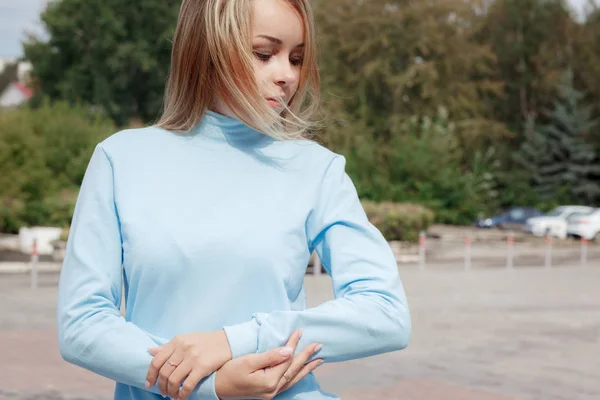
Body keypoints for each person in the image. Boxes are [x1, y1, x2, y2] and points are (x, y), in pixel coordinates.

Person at [56, 0, 411, 399]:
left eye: (296, 58)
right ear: (209, 48)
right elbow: (82, 324)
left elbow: (386, 313)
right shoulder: (120, 160)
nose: (287, 75)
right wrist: (210, 385)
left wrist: (234, 341)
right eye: (264, 53)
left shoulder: (317, 169)